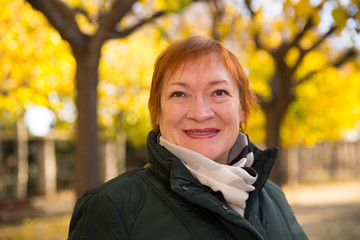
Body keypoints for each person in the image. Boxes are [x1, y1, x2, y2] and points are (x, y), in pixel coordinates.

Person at [68, 36, 308, 240]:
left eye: (219, 92)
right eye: (179, 94)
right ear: (157, 112)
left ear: (242, 108)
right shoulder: (110, 207)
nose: (200, 113)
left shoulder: (273, 196)